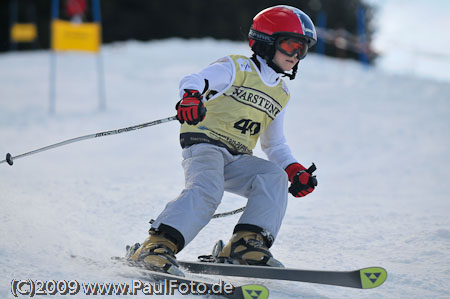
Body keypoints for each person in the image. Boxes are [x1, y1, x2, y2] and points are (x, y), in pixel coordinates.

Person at [128, 5, 318, 276]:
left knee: (273, 176)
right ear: (266, 41)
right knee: (208, 190)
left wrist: (293, 169)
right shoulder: (238, 67)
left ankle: (245, 245)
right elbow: (194, 79)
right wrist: (191, 96)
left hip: (238, 157)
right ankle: (156, 245)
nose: (296, 55)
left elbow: (274, 144)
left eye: (303, 49)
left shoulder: (282, 92)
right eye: (290, 45)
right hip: (205, 145)